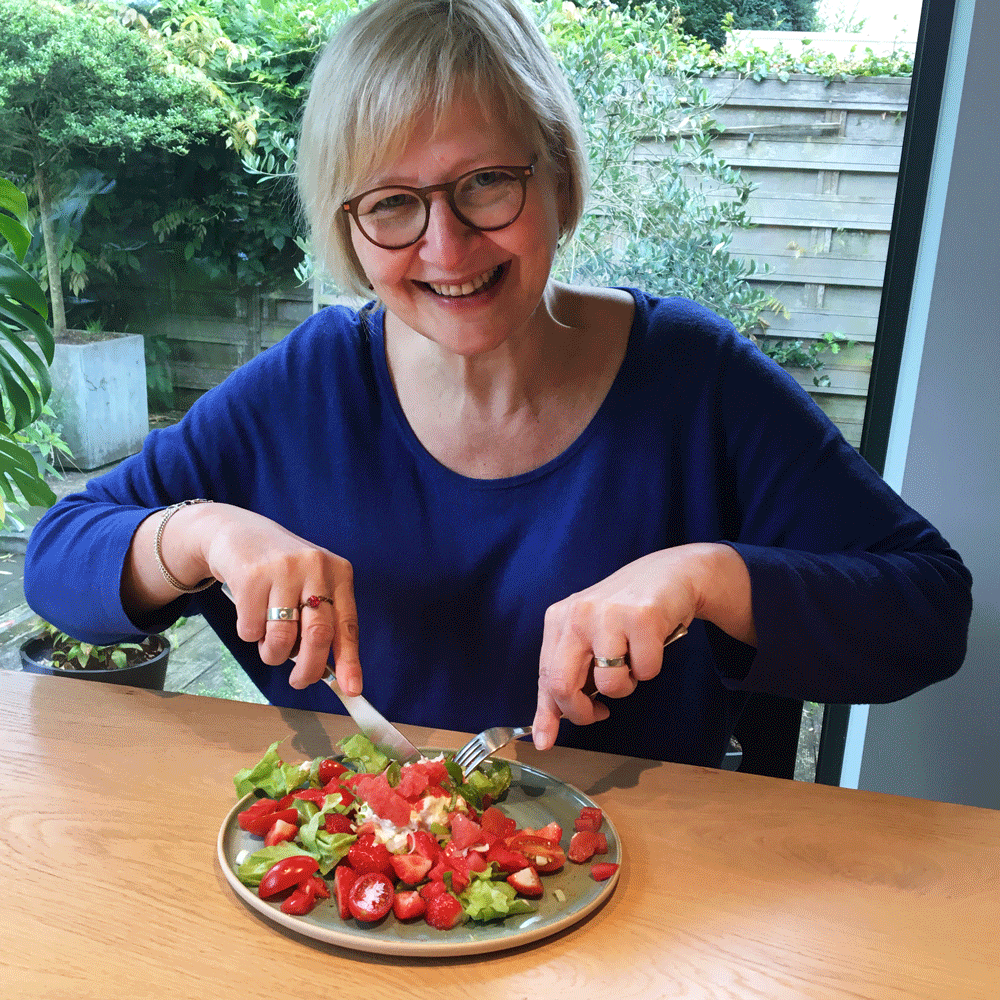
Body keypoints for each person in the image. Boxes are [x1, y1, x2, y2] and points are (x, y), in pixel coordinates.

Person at [24, 0, 971, 768]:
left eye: (485, 183)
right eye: (392, 203)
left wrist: (706, 576)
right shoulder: (305, 388)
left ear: (557, 176)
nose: (446, 247)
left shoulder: (693, 376)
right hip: (362, 884)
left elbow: (926, 611)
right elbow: (56, 558)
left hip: (644, 884)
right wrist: (199, 532)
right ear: (349, 229)